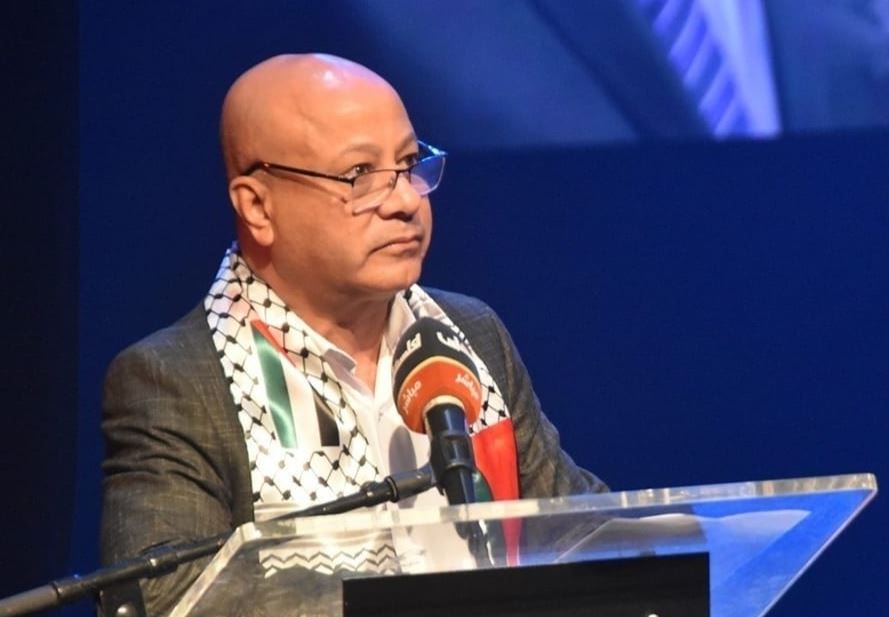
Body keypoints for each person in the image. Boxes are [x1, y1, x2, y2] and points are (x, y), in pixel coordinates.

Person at [100, 53, 606, 616]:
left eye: (409, 164)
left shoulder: (469, 334)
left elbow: (580, 536)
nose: (407, 201)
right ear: (258, 206)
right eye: (360, 175)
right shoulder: (176, 382)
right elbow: (168, 600)